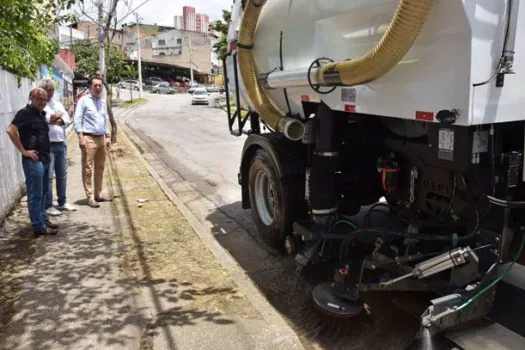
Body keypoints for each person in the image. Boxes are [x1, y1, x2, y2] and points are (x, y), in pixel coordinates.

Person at [6, 88, 59, 236]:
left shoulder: (41, 114)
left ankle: (42, 219)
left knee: (43, 192)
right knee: (35, 194)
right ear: (31, 98)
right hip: (33, 161)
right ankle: (38, 226)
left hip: (44, 158)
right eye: (39, 99)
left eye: (44, 99)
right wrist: (24, 151)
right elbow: (11, 130)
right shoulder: (24, 113)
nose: (42, 102)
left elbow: (58, 121)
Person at [40, 79, 77, 215]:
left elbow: (67, 118)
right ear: (42, 89)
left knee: (62, 174)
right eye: (48, 90)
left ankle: (62, 201)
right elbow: (46, 118)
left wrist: (57, 119)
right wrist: (57, 119)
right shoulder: (39, 104)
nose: (50, 93)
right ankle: (48, 204)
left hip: (61, 142)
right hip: (47, 145)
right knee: (48, 176)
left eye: (52, 90)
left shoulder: (57, 103)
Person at [74, 76, 112, 208]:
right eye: (95, 85)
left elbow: (105, 118)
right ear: (90, 87)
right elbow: (77, 118)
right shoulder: (84, 100)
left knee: (100, 167)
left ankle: (98, 194)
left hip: (101, 137)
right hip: (88, 138)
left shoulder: (102, 101)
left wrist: (107, 136)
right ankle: (90, 197)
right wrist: (80, 136)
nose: (98, 88)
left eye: (100, 86)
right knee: (88, 168)